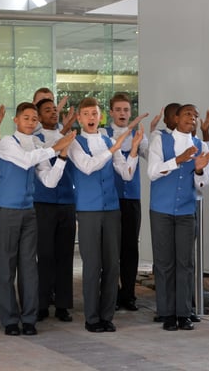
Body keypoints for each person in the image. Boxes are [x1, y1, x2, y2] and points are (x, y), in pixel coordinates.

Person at [0, 102, 75, 336]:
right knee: (7, 266)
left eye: (34, 119)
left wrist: (61, 157)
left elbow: (48, 181)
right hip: (7, 209)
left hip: (29, 210)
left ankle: (29, 319)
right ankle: (9, 319)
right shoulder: (9, 142)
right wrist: (55, 147)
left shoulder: (38, 144)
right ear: (16, 120)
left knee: (29, 266)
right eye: (26, 118)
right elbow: (26, 160)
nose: (31, 122)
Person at [67, 97, 141, 333]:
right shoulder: (74, 143)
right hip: (88, 210)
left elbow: (126, 174)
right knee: (92, 265)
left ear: (101, 117)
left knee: (112, 264)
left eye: (94, 114)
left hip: (111, 209)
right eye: (86, 114)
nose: (91, 117)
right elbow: (88, 166)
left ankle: (106, 315)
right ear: (79, 118)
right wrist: (113, 149)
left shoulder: (110, 140)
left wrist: (135, 148)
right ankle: (91, 317)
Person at [148, 104, 209, 331]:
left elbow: (202, 185)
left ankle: (184, 313)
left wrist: (200, 170)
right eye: (187, 114)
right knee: (164, 263)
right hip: (161, 210)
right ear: (176, 118)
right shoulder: (160, 141)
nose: (192, 118)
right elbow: (152, 172)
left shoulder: (200, 145)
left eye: (195, 115)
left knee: (186, 263)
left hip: (186, 211)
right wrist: (179, 160)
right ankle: (165, 313)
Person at [99, 92, 149, 312]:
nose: (122, 113)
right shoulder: (103, 133)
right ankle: (108, 293)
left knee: (130, 247)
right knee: (109, 248)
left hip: (132, 198)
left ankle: (128, 294)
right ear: (111, 112)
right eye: (118, 110)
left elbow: (151, 156)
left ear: (131, 112)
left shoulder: (139, 134)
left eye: (126, 110)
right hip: (109, 198)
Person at [34, 98, 77, 323]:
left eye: (54, 110)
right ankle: (41, 303)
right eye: (47, 111)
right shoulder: (36, 139)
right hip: (43, 202)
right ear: (39, 117)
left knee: (65, 254)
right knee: (45, 254)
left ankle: (62, 305)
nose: (52, 113)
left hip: (67, 201)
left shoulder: (67, 137)